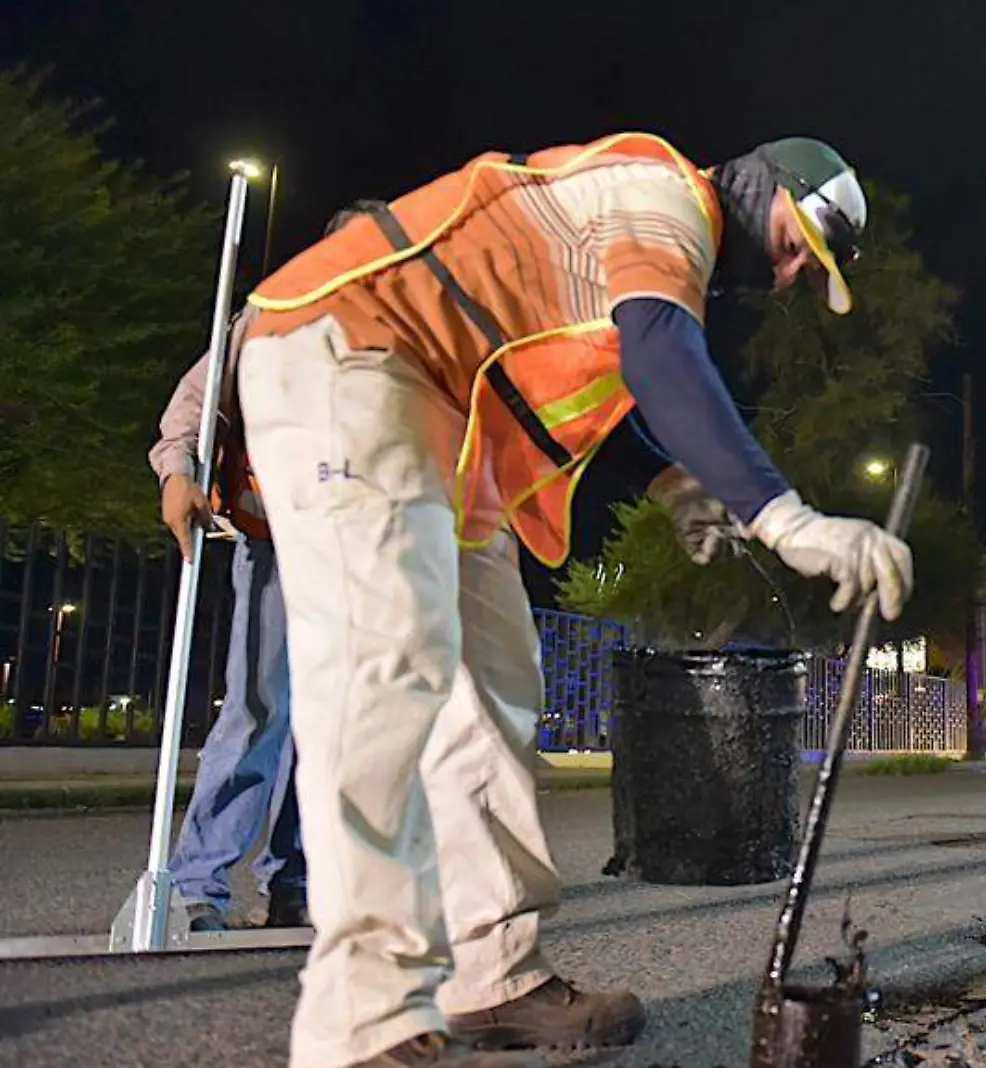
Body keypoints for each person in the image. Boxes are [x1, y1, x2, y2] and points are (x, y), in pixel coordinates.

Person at [232, 134, 912, 1068]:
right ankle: (362, 1016)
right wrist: (785, 520)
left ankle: (493, 973)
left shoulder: (673, 245)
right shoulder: (660, 193)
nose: (792, 273)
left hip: (447, 414)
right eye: (805, 245)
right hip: (351, 349)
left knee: (496, 691)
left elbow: (618, 378)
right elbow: (664, 358)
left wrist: (676, 482)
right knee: (388, 665)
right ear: (775, 184)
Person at [147, 201, 386, 933]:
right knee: (259, 711)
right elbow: (195, 402)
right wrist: (176, 472)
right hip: (279, 538)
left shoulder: (399, 333)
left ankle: (295, 880)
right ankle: (197, 886)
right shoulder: (275, 314)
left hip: (358, 549)